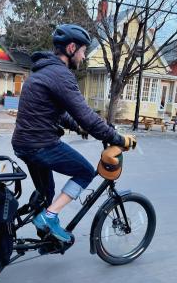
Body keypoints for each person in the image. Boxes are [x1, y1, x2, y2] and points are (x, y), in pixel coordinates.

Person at [11, 24, 136, 243]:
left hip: (24, 143)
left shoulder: (43, 71)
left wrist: (78, 127)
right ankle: (49, 218)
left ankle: (42, 228)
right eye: (83, 50)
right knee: (85, 172)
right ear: (71, 48)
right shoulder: (60, 74)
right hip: (40, 144)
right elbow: (87, 115)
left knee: (46, 193)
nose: (84, 56)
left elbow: (56, 114)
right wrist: (117, 138)